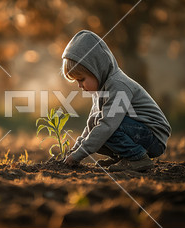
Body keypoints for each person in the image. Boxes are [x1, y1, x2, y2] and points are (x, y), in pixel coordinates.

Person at [62, 30, 171, 172]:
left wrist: (78, 156)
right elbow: (90, 127)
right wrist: (74, 151)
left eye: (81, 79)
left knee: (104, 127)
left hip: (153, 137)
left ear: (96, 69)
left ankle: (137, 158)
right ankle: (125, 157)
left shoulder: (119, 85)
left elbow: (107, 125)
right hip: (138, 132)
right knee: (96, 126)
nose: (79, 85)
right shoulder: (100, 90)